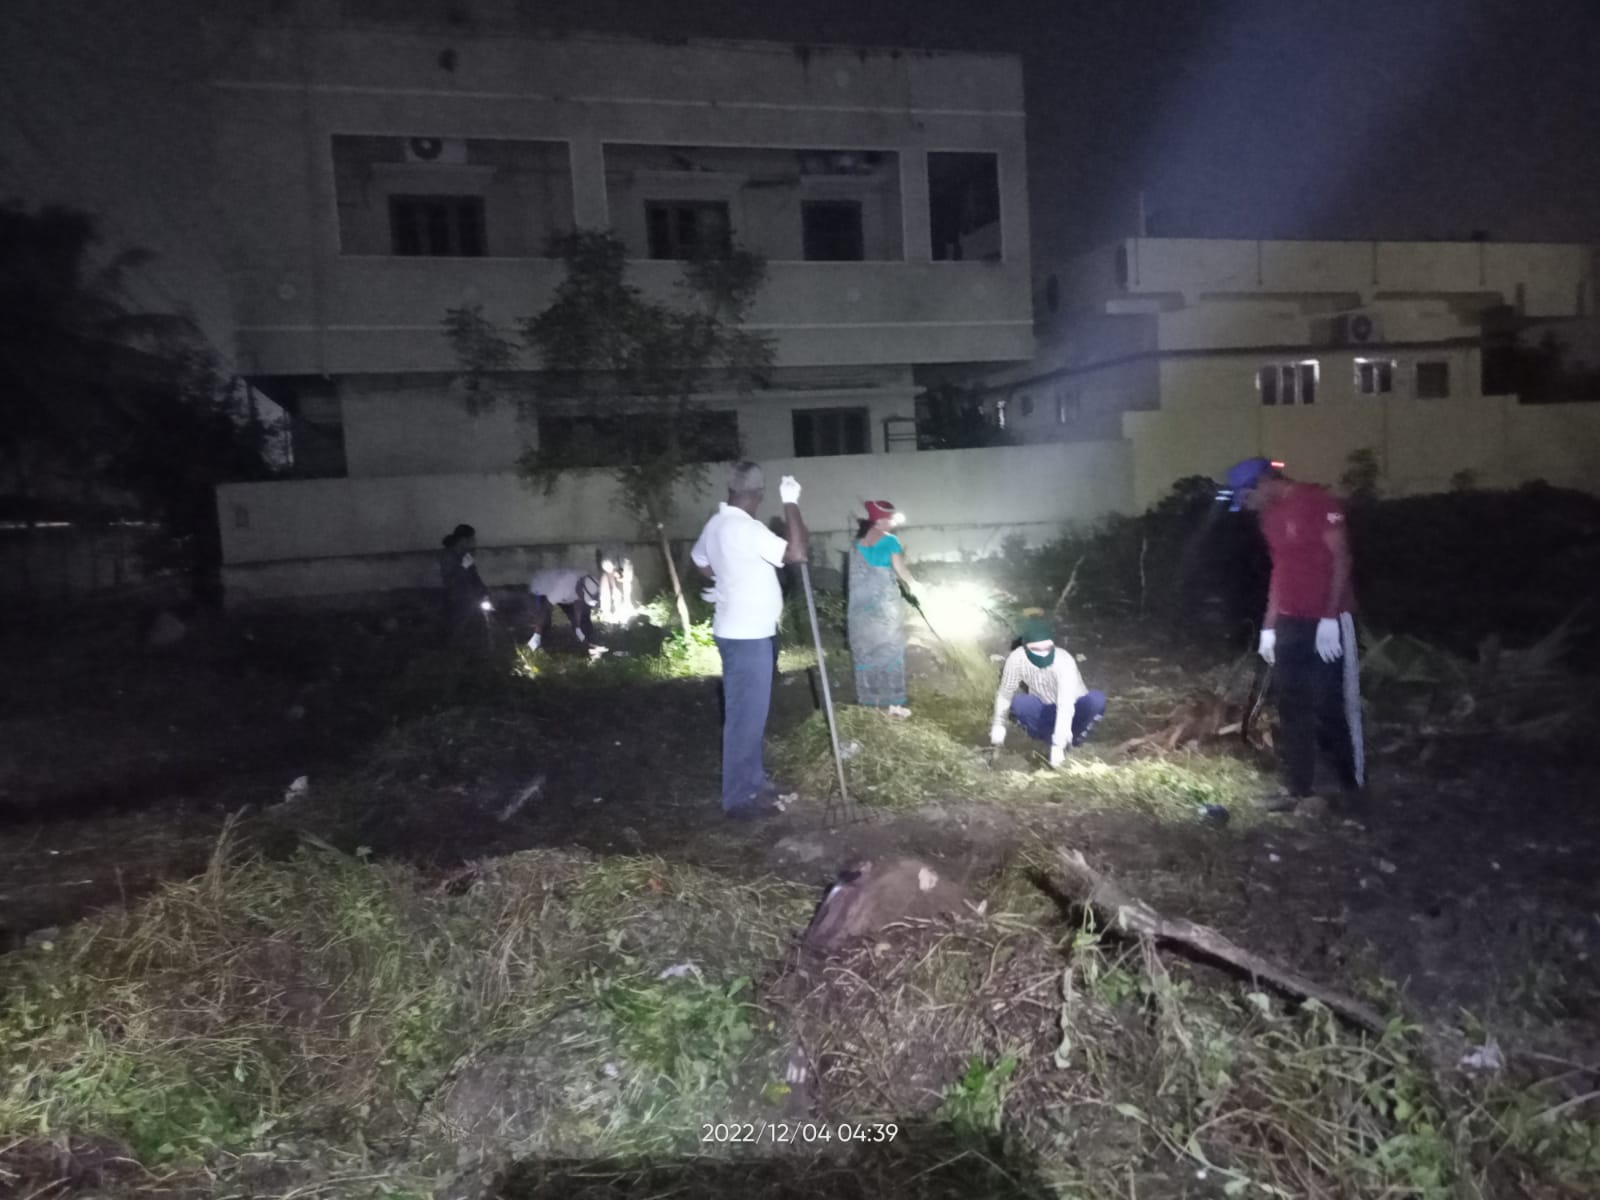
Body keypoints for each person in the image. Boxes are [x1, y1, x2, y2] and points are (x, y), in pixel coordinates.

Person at [1223, 456, 1364, 812]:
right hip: (1290, 622)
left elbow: (1342, 559)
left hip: (1330, 621)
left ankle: (1351, 789)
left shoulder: (1317, 501)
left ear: (1264, 482)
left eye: (1247, 496)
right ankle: (1298, 788)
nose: (1248, 505)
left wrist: (1330, 618)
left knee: (1332, 704)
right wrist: (1269, 627)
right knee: (1291, 704)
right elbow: (1280, 571)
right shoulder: (1268, 517)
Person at [690, 462, 809, 820]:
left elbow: (700, 561)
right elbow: (798, 553)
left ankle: (753, 781)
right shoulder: (746, 528)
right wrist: (791, 502)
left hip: (741, 631)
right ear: (757, 494)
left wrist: (725, 580)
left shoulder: (716, 524)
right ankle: (739, 798)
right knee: (745, 718)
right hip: (747, 636)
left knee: (750, 715)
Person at [988, 616, 1107, 766]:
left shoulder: (1064, 661)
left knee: (1096, 700)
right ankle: (1044, 741)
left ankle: (1074, 740)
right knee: (1019, 702)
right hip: (1046, 711)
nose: (1043, 653)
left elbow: (1066, 705)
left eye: (1047, 648)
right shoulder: (1016, 659)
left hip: (1073, 710)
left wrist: (1058, 746)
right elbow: (1005, 694)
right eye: (1036, 649)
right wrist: (998, 729)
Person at [847, 500, 918, 719]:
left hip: (860, 612)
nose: (893, 522)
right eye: (889, 518)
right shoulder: (890, 541)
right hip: (884, 609)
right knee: (890, 651)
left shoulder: (856, 544)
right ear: (879, 521)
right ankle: (894, 705)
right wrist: (916, 587)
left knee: (866, 652)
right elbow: (901, 570)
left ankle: (870, 702)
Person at [438, 523, 492, 641]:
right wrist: (463, 566)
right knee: (459, 630)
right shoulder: (447, 555)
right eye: (472, 539)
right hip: (456, 599)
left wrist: (484, 591)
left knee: (478, 628)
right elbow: (451, 579)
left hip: (471, 598)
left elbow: (474, 575)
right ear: (463, 540)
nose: (474, 542)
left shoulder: (466, 555)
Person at [526, 567, 601, 651]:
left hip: (566, 595)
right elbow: (546, 607)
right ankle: (537, 641)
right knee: (542, 622)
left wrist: (577, 627)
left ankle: (589, 643)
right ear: (580, 589)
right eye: (584, 597)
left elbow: (579, 603)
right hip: (541, 589)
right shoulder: (564, 586)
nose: (583, 599)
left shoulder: (587, 581)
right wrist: (537, 634)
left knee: (584, 617)